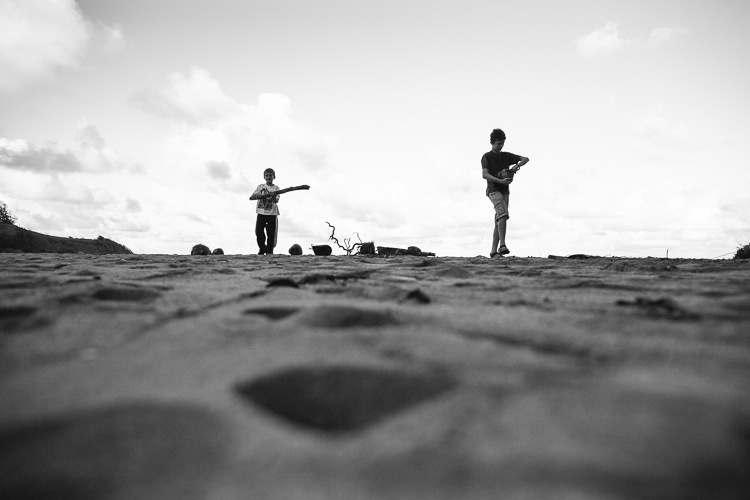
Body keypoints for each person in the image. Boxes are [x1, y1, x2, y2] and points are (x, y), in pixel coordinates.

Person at [481, 128, 529, 258]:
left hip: (505, 191)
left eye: (502, 143)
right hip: (493, 190)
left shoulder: (506, 156)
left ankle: (493, 252)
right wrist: (499, 181)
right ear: (492, 142)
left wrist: (516, 166)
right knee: (503, 214)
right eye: (498, 143)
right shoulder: (487, 157)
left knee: (499, 219)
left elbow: (526, 159)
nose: (501, 146)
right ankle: (502, 245)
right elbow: (484, 174)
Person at [249, 168, 281, 254]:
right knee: (258, 232)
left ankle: (269, 251)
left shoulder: (276, 188)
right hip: (261, 213)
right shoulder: (260, 187)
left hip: (272, 213)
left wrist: (273, 196)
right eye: (267, 175)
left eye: (270, 175)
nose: (268, 177)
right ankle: (262, 249)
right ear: (264, 177)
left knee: (271, 234)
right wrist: (258, 196)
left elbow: (276, 200)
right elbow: (252, 196)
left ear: (274, 177)